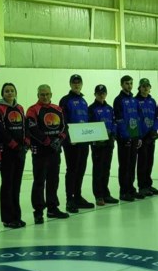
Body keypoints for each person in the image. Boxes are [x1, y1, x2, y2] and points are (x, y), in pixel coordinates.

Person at [27, 85, 70, 222]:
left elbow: (64, 126)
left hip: (54, 151)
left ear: (51, 94)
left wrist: (60, 139)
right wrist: (46, 141)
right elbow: (32, 128)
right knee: (39, 181)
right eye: (42, 94)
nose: (44, 97)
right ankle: (38, 211)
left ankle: (52, 208)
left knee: (53, 180)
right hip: (40, 151)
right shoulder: (32, 110)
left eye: (47, 94)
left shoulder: (57, 109)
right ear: (38, 95)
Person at [0, 83, 28, 229]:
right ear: (3, 93)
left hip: (20, 151)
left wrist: (26, 142)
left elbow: (24, 126)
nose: (9, 93)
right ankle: (7, 218)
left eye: (12, 90)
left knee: (17, 185)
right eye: (6, 91)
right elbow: (0, 129)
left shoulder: (20, 108)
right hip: (7, 152)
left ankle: (16, 216)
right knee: (7, 185)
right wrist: (12, 144)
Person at [60, 74, 95, 212]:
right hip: (71, 142)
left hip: (83, 141)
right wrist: (69, 138)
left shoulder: (83, 101)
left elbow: (87, 120)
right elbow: (63, 120)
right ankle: (70, 199)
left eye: (78, 82)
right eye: (74, 83)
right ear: (70, 84)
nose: (76, 85)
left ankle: (78, 196)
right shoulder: (65, 100)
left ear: (81, 84)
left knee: (81, 169)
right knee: (72, 169)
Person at [88, 84, 119, 205]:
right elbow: (89, 125)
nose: (101, 95)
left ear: (106, 94)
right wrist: (95, 139)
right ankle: (98, 195)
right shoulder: (91, 109)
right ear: (95, 94)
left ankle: (106, 193)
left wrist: (113, 136)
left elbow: (114, 122)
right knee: (98, 169)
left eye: (103, 93)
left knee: (106, 169)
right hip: (97, 144)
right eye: (99, 93)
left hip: (108, 143)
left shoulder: (109, 108)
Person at [113, 75, 143, 201]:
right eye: (126, 83)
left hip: (135, 135)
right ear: (121, 84)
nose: (129, 86)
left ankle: (131, 188)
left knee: (132, 164)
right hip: (124, 138)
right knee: (124, 165)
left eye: (131, 83)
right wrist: (125, 136)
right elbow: (119, 119)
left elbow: (138, 117)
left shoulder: (134, 100)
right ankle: (123, 191)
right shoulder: (118, 100)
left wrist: (139, 136)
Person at [136, 78, 158, 197]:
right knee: (142, 162)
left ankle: (148, 184)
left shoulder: (152, 101)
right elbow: (135, 119)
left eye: (148, 86)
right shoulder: (135, 101)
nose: (146, 88)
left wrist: (155, 129)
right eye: (143, 86)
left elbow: (156, 116)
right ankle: (142, 186)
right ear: (139, 87)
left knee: (149, 161)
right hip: (142, 136)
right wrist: (140, 135)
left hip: (151, 135)